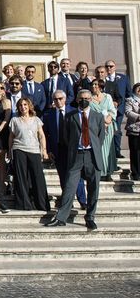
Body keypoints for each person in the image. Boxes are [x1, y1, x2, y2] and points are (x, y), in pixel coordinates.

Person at [46, 89, 105, 230]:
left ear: (90, 100)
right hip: (76, 155)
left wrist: (93, 147)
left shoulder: (98, 116)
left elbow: (100, 136)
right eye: (81, 98)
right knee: (69, 186)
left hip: (92, 155)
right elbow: (65, 137)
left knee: (93, 188)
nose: (83, 100)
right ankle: (61, 217)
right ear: (77, 99)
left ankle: (90, 217)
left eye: (86, 98)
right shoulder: (70, 116)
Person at [43, 90, 87, 209]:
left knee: (76, 176)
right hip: (58, 149)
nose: (58, 101)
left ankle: (83, 201)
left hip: (73, 149)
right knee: (63, 176)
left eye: (60, 98)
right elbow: (46, 134)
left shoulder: (74, 112)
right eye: (55, 99)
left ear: (65, 99)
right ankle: (68, 201)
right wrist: (49, 150)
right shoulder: (49, 115)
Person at [8, 97, 50, 211]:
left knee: (38, 177)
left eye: (25, 105)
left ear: (29, 106)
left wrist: (44, 150)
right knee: (21, 178)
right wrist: (9, 151)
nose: (23, 107)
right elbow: (11, 137)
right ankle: (24, 204)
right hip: (19, 149)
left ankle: (41, 204)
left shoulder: (36, 119)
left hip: (34, 150)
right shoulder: (14, 120)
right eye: (21, 105)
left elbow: (41, 135)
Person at [89, 79, 117, 181]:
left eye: (96, 84)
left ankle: (108, 172)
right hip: (96, 128)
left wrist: (108, 121)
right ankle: (100, 172)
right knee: (99, 150)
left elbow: (112, 110)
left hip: (108, 127)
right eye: (93, 85)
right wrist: (100, 123)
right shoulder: (89, 99)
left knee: (108, 150)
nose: (94, 86)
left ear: (101, 86)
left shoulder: (107, 97)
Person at [104, 60, 132, 158]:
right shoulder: (103, 79)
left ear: (115, 67)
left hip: (118, 109)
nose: (109, 68)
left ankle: (117, 151)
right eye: (107, 66)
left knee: (116, 130)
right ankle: (107, 151)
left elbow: (129, 94)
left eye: (111, 66)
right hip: (105, 110)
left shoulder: (123, 78)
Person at [125, 83, 140, 181]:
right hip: (134, 129)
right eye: (138, 89)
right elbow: (128, 112)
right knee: (135, 152)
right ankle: (135, 173)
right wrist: (138, 116)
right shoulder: (130, 100)